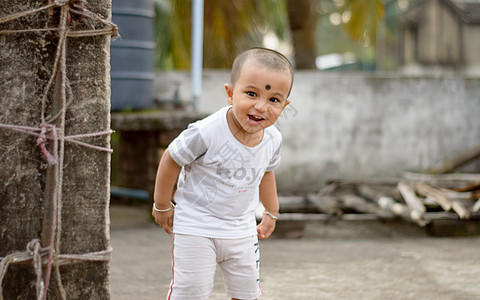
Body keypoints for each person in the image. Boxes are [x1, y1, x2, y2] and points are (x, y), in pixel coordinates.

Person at [152, 47, 294, 300]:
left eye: (273, 100)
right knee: (190, 294)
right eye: (251, 93)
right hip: (196, 227)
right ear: (230, 94)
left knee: (247, 294)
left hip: (241, 230)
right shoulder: (206, 132)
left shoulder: (273, 138)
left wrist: (271, 211)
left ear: (285, 105)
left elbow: (266, 173)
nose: (261, 106)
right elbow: (171, 159)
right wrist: (162, 205)